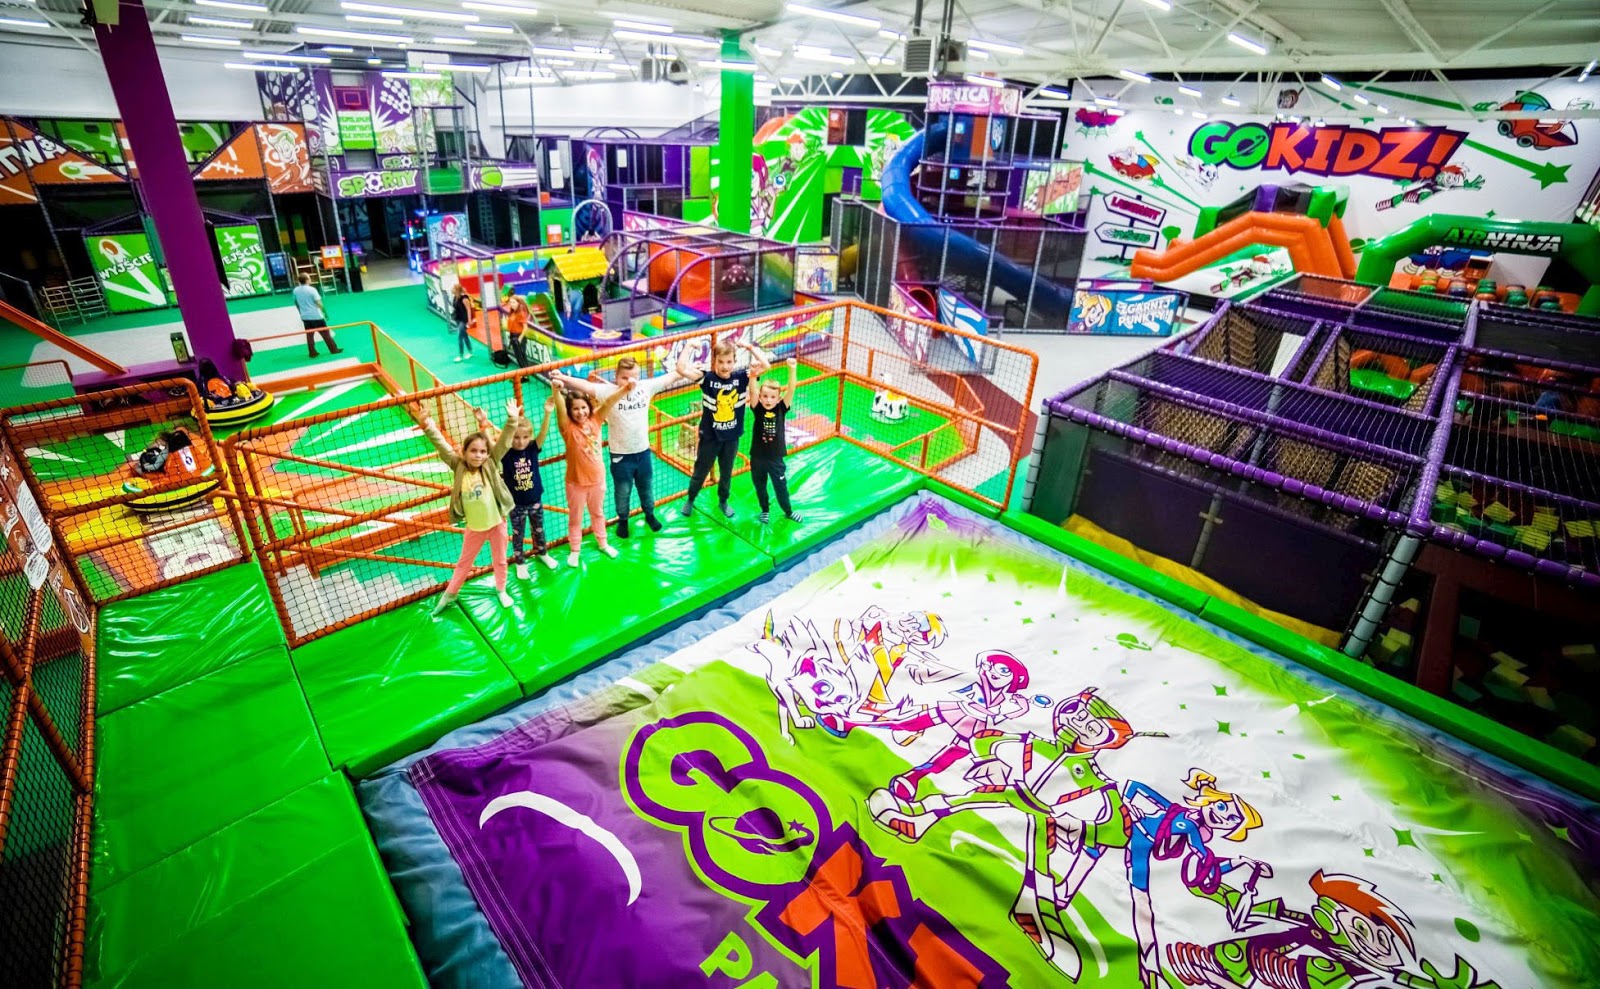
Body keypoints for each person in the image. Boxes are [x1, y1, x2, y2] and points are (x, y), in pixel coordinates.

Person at [550, 356, 680, 539]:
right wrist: (562, 377)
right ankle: (623, 520)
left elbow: (671, 376)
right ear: (616, 377)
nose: (630, 381)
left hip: (643, 452)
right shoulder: (607, 392)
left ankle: (650, 514)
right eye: (624, 377)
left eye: (634, 377)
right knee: (623, 491)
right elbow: (584, 386)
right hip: (621, 455)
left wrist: (689, 368)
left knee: (646, 487)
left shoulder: (645, 387)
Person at [415, 398, 521, 616]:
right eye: (473, 451)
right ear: (464, 452)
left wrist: (512, 420)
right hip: (474, 528)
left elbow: (503, 443)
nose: (478, 455)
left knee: (500, 560)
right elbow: (442, 446)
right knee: (464, 563)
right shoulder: (458, 466)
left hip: (497, 523)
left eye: (482, 451)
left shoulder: (490, 464)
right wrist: (427, 425)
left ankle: (501, 589)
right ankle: (450, 594)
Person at [676, 339, 771, 518]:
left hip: (731, 438)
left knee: (726, 473)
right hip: (709, 438)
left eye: (729, 362)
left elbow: (766, 366)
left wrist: (750, 347)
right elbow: (681, 369)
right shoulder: (707, 378)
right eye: (720, 362)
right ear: (714, 361)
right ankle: (690, 499)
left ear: (734, 361)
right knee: (701, 471)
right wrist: (689, 346)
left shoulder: (742, 377)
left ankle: (723, 501)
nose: (725, 366)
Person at [551, 378, 629, 567]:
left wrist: (625, 389)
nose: (580, 412)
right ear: (570, 412)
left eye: (583, 407)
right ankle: (575, 550)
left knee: (598, 513)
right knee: (575, 517)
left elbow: (609, 402)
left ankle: (603, 543)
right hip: (575, 482)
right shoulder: (567, 427)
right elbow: (560, 408)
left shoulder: (596, 420)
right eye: (575, 409)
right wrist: (556, 390)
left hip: (597, 480)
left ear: (589, 407)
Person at [498, 395, 558, 578]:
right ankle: (520, 562)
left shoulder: (532, 448)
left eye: (525, 437)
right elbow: (498, 444)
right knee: (518, 534)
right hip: (516, 504)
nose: (520, 441)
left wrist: (547, 413)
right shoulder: (506, 453)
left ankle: (542, 553)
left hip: (535, 499)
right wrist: (487, 424)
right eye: (516, 437)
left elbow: (543, 434)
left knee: (539, 529)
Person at [747, 356, 804, 525]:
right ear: (761, 397)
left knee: (781, 487)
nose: (768, 400)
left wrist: (792, 369)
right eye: (765, 396)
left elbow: (791, 389)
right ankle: (765, 510)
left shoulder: (781, 408)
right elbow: (753, 392)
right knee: (760, 486)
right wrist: (753, 375)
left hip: (775, 458)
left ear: (778, 398)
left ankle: (788, 511)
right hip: (757, 457)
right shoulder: (757, 408)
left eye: (772, 397)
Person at [293, 274, 342, 358]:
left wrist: (301, 312)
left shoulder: (296, 290)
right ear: (307, 280)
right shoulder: (312, 290)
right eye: (309, 278)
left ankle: (312, 352)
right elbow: (319, 303)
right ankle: (334, 350)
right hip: (316, 316)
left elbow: (296, 303)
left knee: (309, 335)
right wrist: (325, 313)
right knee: (326, 334)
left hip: (305, 317)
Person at [450, 282, 474, 363]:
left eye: (453, 288)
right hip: (458, 318)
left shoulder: (464, 299)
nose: (451, 289)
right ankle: (470, 351)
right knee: (464, 336)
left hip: (464, 320)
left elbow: (468, 309)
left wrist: (469, 320)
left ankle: (460, 355)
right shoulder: (455, 297)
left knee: (460, 336)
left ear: (457, 290)